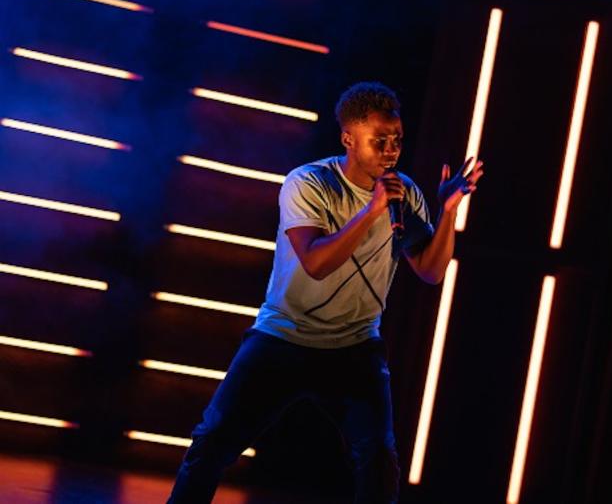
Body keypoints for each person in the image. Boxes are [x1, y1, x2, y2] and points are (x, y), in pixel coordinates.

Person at [167, 81, 484, 503]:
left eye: (398, 140)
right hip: (283, 337)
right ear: (348, 139)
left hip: (354, 347)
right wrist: (372, 210)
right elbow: (315, 263)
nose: (391, 150)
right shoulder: (309, 182)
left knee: (377, 459)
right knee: (212, 444)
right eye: (380, 141)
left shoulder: (403, 193)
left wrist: (446, 213)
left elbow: (430, 271)